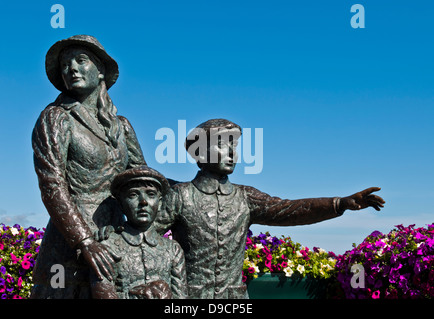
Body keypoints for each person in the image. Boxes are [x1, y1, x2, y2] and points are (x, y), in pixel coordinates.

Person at [155, 118, 385, 299]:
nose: (234, 154)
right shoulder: (180, 195)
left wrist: (339, 204)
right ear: (201, 153)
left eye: (235, 147)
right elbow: (149, 240)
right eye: (224, 146)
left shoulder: (245, 196)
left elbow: (288, 210)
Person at [31, 35, 146, 298]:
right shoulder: (56, 118)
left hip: (115, 241)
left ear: (101, 70)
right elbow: (52, 186)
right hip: (67, 251)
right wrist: (85, 241)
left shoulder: (122, 126)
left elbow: (143, 180)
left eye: (81, 61)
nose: (71, 68)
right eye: (65, 65)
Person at [91, 166, 187, 299]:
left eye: (151, 194)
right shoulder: (107, 246)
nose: (143, 202)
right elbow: (102, 294)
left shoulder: (173, 249)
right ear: (121, 204)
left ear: (159, 204)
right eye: (133, 195)